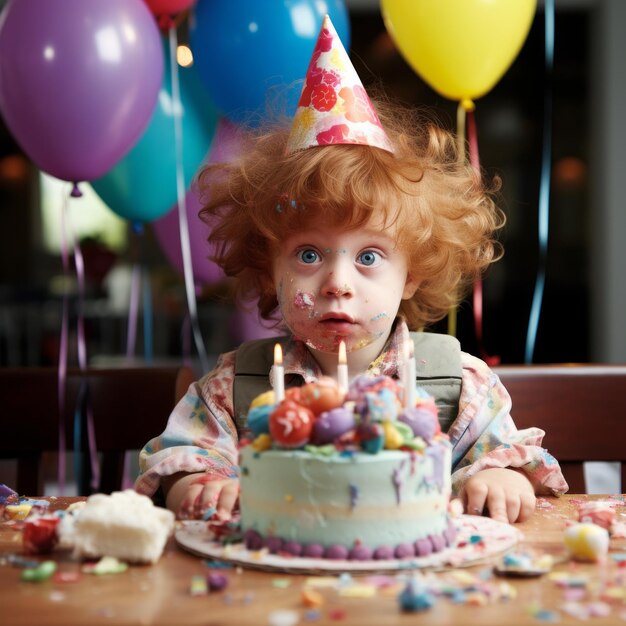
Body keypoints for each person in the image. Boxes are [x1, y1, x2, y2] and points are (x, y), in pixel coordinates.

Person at [136, 15, 567, 525]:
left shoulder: (459, 384)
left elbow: (512, 458)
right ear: (268, 264)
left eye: (368, 257)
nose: (337, 283)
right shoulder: (235, 387)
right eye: (309, 255)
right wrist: (196, 484)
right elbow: (179, 458)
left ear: (412, 274)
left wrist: (502, 478)